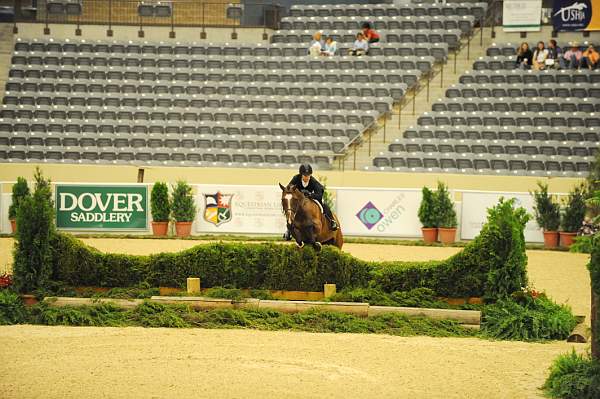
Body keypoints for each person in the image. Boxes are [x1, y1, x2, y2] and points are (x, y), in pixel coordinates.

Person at [283, 164, 338, 241]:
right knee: (290, 210)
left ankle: (332, 221)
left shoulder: (313, 181)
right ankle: (288, 230)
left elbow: (319, 196)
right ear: (301, 175)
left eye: (308, 175)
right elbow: (288, 189)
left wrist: (310, 194)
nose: (306, 177)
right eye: (305, 175)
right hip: (298, 200)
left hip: (311, 198)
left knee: (324, 205)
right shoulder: (296, 178)